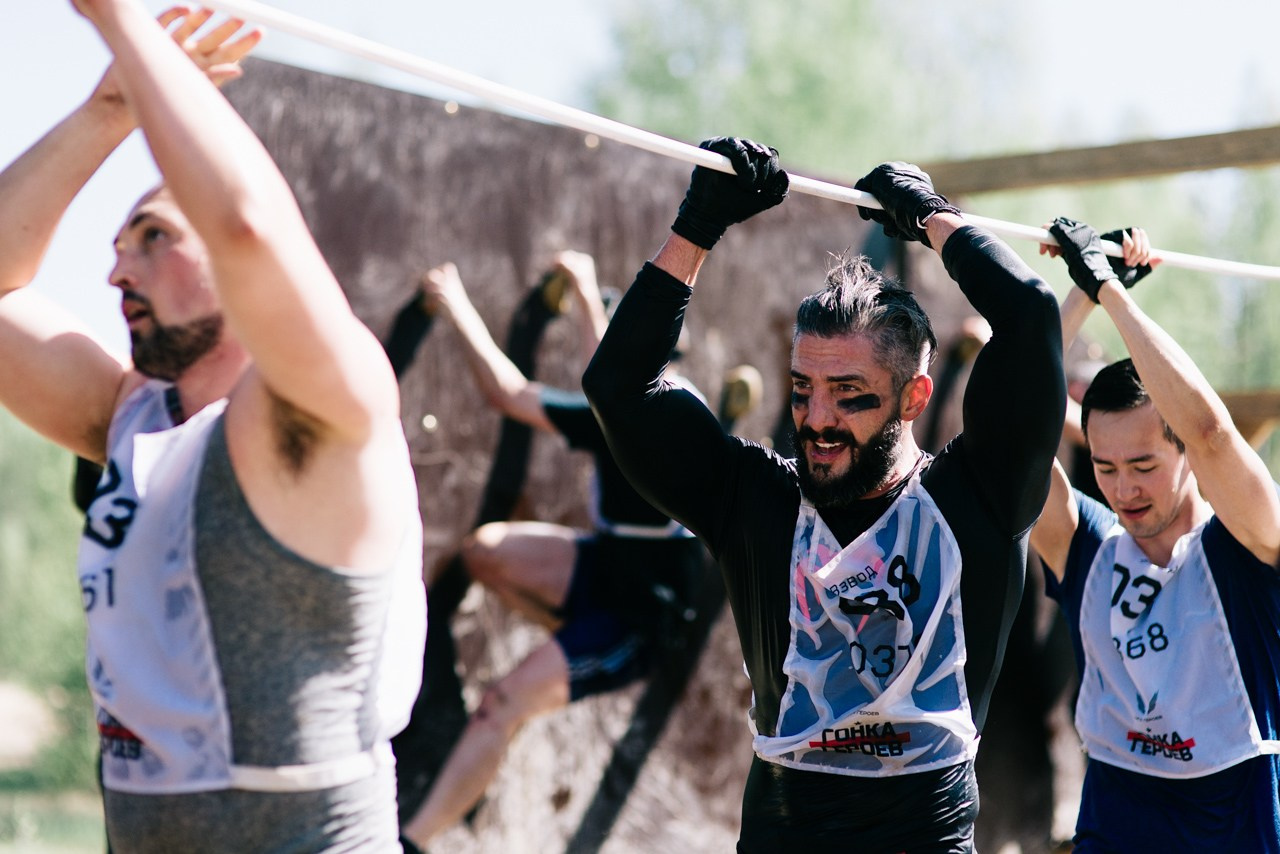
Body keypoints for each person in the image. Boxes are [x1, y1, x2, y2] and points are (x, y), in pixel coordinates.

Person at [0, 4, 426, 851]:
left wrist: (121, 20)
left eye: (154, 237)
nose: (117, 269)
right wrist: (106, 114)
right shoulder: (131, 414)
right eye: (122, 243)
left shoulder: (322, 407)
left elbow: (246, 225)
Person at [583, 140, 1066, 851]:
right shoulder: (756, 500)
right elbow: (617, 389)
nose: (817, 420)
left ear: (914, 397)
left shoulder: (978, 496)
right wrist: (697, 228)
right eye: (805, 390)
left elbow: (1028, 314)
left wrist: (932, 218)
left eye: (850, 396)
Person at [400, 252, 707, 847]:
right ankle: (563, 639)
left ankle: (412, 841)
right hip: (605, 563)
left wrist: (587, 291)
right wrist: (454, 301)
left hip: (643, 616)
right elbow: (508, 394)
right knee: (483, 552)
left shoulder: (672, 408)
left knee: (501, 703)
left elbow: (617, 368)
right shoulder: (606, 411)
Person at [1030, 217, 1280, 852]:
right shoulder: (1085, 543)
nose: (1124, 488)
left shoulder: (1250, 540)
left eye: (1144, 466)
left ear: (1186, 458)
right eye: (1106, 468)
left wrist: (1113, 291)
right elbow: (1001, 438)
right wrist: (1081, 294)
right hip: (1118, 819)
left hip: (1238, 825)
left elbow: (1212, 432)